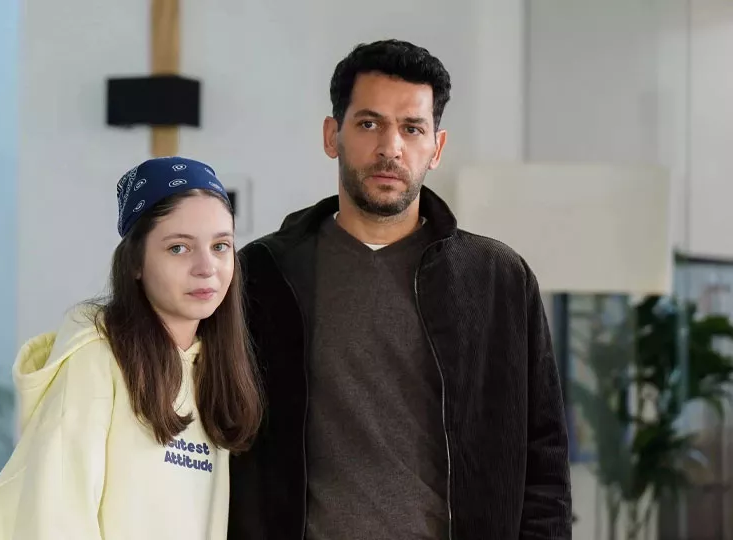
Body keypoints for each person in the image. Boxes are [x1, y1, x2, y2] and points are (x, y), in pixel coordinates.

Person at [228, 39, 572, 540]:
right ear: (332, 136)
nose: (391, 148)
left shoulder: (497, 279)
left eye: (412, 128)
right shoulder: (263, 274)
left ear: (437, 147)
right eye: (369, 124)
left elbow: (545, 456)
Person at [0, 156, 263, 540]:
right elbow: (54, 518)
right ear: (135, 263)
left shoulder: (215, 368)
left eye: (221, 246)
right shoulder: (97, 361)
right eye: (178, 248)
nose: (206, 267)